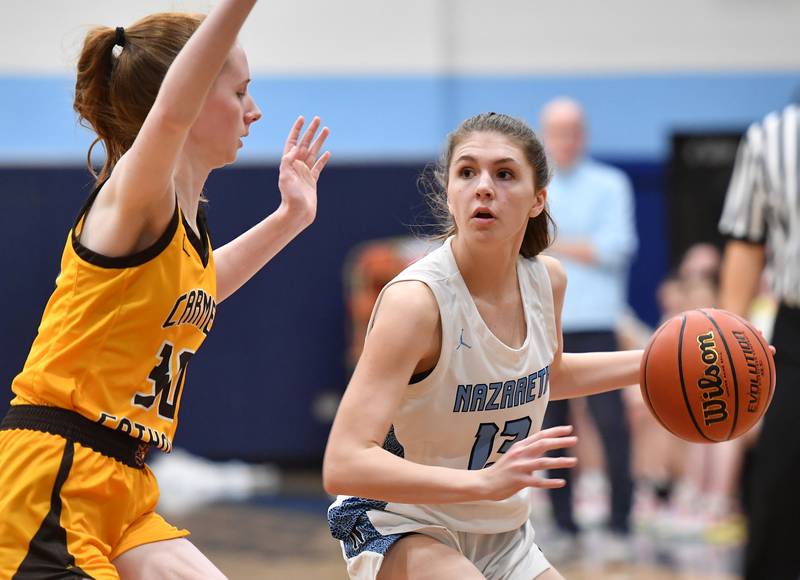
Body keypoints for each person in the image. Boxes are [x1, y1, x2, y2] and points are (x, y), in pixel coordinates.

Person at [0, 1, 330, 577]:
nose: (254, 112)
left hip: (124, 481)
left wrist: (289, 220)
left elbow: (200, 290)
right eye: (239, 92)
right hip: (52, 476)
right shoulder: (137, 190)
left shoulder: (180, 225)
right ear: (194, 94)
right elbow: (172, 111)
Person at [323, 112, 642, 580]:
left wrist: (661, 361)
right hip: (401, 523)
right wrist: (484, 482)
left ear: (538, 200)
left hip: (503, 532)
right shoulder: (416, 302)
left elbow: (548, 377)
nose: (484, 186)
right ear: (448, 191)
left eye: (505, 173)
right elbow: (343, 462)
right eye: (467, 172)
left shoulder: (546, 281)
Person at [537, 97, 638, 557]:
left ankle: (620, 526)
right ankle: (564, 526)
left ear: (585, 133)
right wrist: (579, 246)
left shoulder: (611, 184)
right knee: (553, 433)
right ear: (544, 136)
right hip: (545, 324)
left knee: (612, 427)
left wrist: (552, 242)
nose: (566, 139)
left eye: (573, 129)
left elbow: (615, 248)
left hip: (597, 322)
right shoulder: (535, 185)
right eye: (556, 131)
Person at [718, 102, 800, 580]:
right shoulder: (771, 136)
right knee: (781, 492)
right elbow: (747, 243)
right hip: (796, 330)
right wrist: (728, 349)